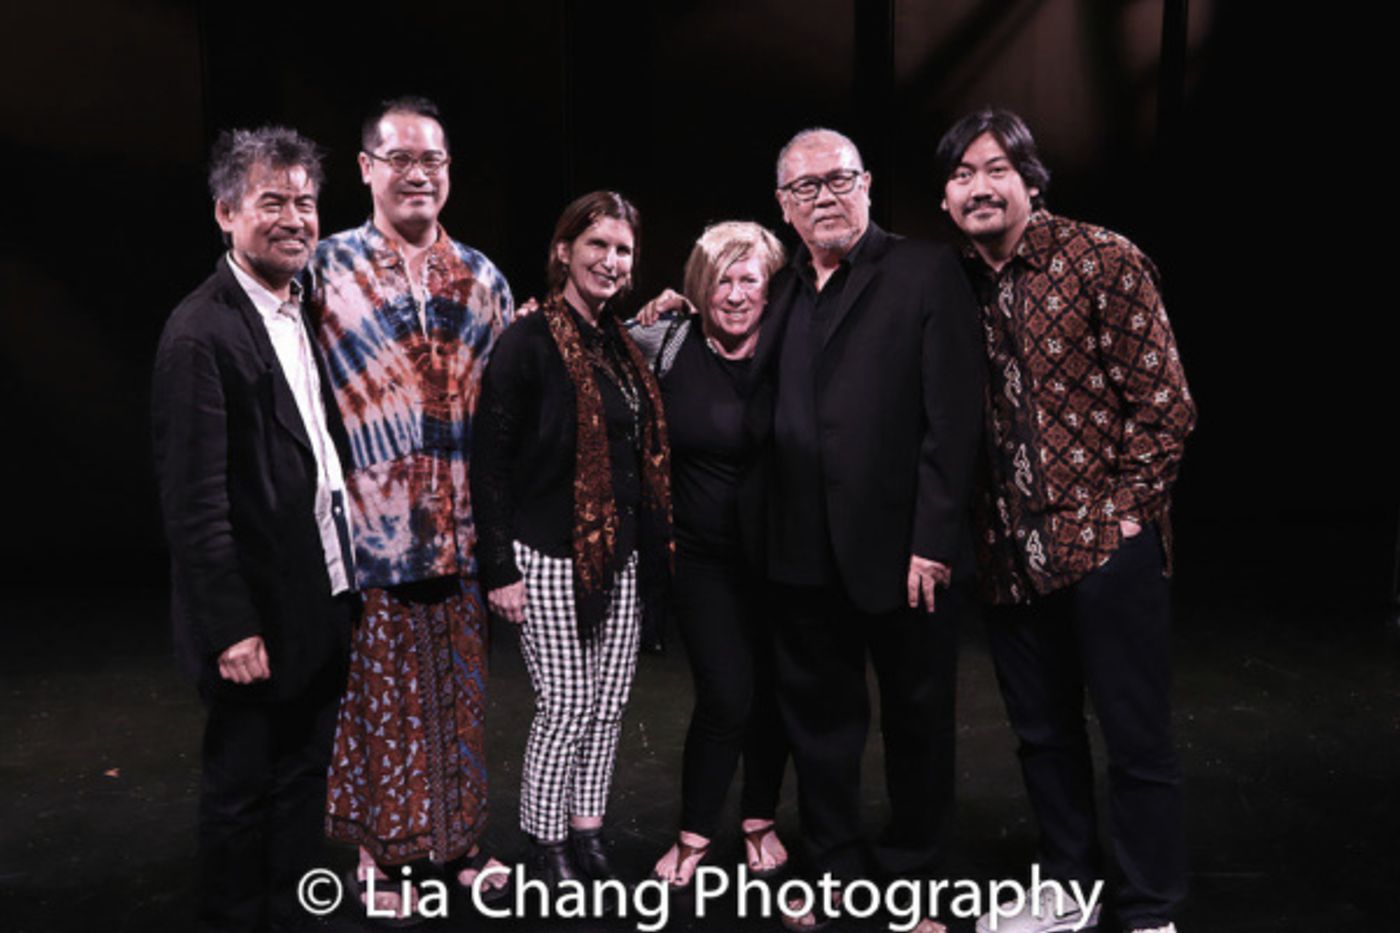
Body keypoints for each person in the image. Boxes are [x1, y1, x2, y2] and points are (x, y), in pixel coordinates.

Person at [935, 108, 1195, 933]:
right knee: (1043, 737)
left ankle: (1150, 908)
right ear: (945, 198)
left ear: (1031, 180)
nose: (979, 187)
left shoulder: (1100, 258)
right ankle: (1068, 889)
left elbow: (1166, 404)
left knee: (1135, 738)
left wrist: (1125, 518)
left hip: (1104, 548)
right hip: (1007, 554)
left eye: (996, 169)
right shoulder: (948, 285)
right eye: (962, 174)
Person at [746, 128, 984, 932]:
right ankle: (837, 867)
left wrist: (934, 540)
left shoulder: (925, 271)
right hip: (801, 552)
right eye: (805, 188)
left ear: (868, 183)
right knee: (821, 729)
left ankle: (913, 874)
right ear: (783, 206)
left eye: (838, 179)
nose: (824, 197)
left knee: (919, 722)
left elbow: (953, 421)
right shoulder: (780, 289)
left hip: (905, 552)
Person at [307, 95, 513, 918]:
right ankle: (380, 854)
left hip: (461, 531)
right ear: (366, 168)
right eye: (400, 158)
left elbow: (509, 406)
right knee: (380, 707)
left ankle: (458, 842)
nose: (418, 173)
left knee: (461, 700)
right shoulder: (325, 268)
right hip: (371, 535)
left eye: (432, 159)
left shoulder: (484, 277)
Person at [152, 126, 356, 932]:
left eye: (306, 202)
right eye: (273, 201)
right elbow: (194, 503)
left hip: (316, 596)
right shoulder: (199, 333)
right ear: (225, 211)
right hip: (255, 619)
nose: (296, 218)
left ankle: (291, 913)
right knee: (241, 794)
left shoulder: (299, 308)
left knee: (303, 780)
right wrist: (232, 627)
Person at [470, 190, 673, 887]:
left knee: (608, 706)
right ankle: (545, 836)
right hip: (548, 555)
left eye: (623, 250)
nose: (611, 261)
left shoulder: (620, 343)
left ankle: (587, 828)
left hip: (622, 555)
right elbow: (490, 463)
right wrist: (499, 567)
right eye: (597, 245)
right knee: (566, 705)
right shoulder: (526, 342)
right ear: (564, 251)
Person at [629, 222, 792, 888]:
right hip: (701, 557)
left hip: (782, 555)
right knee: (726, 693)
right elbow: (586, 346)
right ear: (699, 286)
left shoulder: (792, 340)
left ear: (771, 286)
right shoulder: (665, 339)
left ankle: (759, 816)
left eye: (749, 278)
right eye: (721, 279)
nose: (735, 294)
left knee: (774, 693)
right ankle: (695, 829)